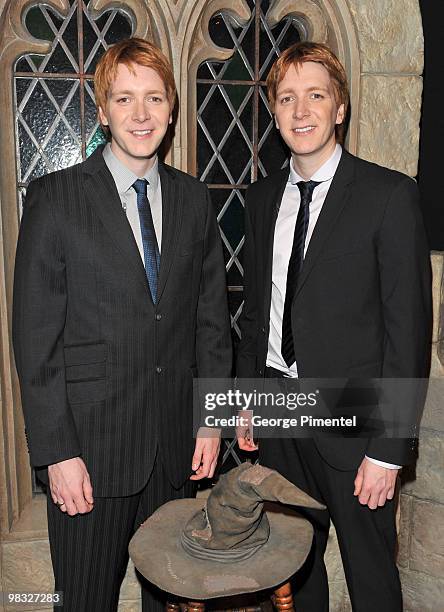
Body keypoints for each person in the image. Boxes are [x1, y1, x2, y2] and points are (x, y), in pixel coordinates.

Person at [13, 37, 231, 611]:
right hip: (90, 455)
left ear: (172, 107)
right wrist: (57, 454)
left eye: (154, 98)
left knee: (175, 601)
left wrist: (210, 425)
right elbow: (35, 342)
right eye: (125, 98)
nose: (141, 115)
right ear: (103, 108)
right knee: (84, 601)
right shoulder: (55, 199)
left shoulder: (193, 200)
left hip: (174, 452)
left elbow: (212, 323)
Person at [236, 41, 431, 611]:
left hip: (355, 427)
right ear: (274, 112)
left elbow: (408, 335)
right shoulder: (260, 198)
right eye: (287, 98)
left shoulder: (389, 195)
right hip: (278, 418)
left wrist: (390, 450)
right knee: (294, 573)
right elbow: (255, 312)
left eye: (315, 95)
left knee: (371, 580)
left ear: (339, 107)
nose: (301, 111)